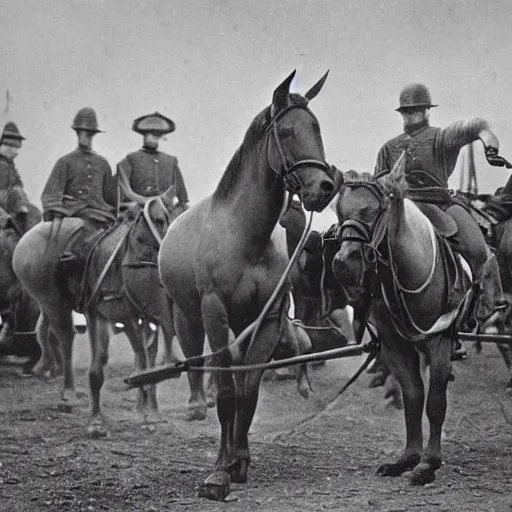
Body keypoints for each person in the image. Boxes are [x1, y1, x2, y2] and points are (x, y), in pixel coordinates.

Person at [374, 83, 506, 331]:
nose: (410, 115)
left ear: (426, 110)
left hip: (441, 204)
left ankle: (485, 303)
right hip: (401, 208)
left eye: (415, 110)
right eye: (406, 111)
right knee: (367, 250)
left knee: (478, 248)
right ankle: (373, 315)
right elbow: (378, 182)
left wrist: (490, 146)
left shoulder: (441, 138)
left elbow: (476, 126)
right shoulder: (388, 148)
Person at [41, 107, 117, 272]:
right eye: (83, 133)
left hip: (100, 212)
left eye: (89, 134)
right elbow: (51, 193)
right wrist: (59, 209)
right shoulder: (65, 162)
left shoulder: (102, 164)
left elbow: (110, 197)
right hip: (73, 211)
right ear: (77, 133)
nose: (86, 137)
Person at [116, 111, 189, 211]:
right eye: (150, 133)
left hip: (166, 212)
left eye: (157, 134)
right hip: (138, 211)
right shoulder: (131, 159)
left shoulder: (171, 161)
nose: (154, 138)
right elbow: (125, 191)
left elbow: (182, 198)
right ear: (144, 135)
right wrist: (147, 202)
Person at [0, 122, 32, 232]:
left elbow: (18, 189)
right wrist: (5, 218)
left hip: (13, 216)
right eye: (13, 147)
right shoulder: (3, 166)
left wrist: (22, 207)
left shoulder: (11, 167)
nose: (16, 152)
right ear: (7, 147)